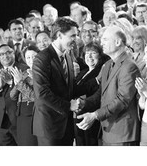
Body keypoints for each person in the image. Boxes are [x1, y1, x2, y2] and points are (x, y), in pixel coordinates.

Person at [76, 25, 141, 146]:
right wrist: (84, 103)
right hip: (107, 130)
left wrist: (95, 115)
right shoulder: (107, 65)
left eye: (105, 39)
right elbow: (101, 94)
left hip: (122, 133)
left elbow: (122, 100)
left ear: (117, 42)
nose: (102, 42)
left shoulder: (129, 66)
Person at [32, 17, 79, 146]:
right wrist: (68, 106)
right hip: (49, 127)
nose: (75, 39)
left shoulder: (68, 56)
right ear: (59, 35)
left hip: (66, 126)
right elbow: (42, 93)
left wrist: (96, 81)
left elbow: (70, 88)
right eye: (72, 36)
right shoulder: (42, 58)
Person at [0, 44, 28, 145]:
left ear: (14, 53)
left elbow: (27, 92)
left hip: (19, 118)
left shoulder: (24, 68)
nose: (5, 56)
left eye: (8, 52)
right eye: (2, 54)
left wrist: (10, 83)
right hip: (1, 121)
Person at [73, 42, 109, 145]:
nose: (89, 56)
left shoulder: (100, 73)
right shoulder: (83, 72)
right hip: (77, 115)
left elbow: (85, 89)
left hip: (90, 116)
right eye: (87, 53)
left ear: (100, 55)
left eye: (93, 53)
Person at [9, 45, 39, 146]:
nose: (31, 60)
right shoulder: (24, 73)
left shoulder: (42, 74)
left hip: (34, 112)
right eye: (28, 57)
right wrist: (17, 82)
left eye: (34, 56)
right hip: (21, 113)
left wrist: (20, 83)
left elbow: (35, 97)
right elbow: (12, 96)